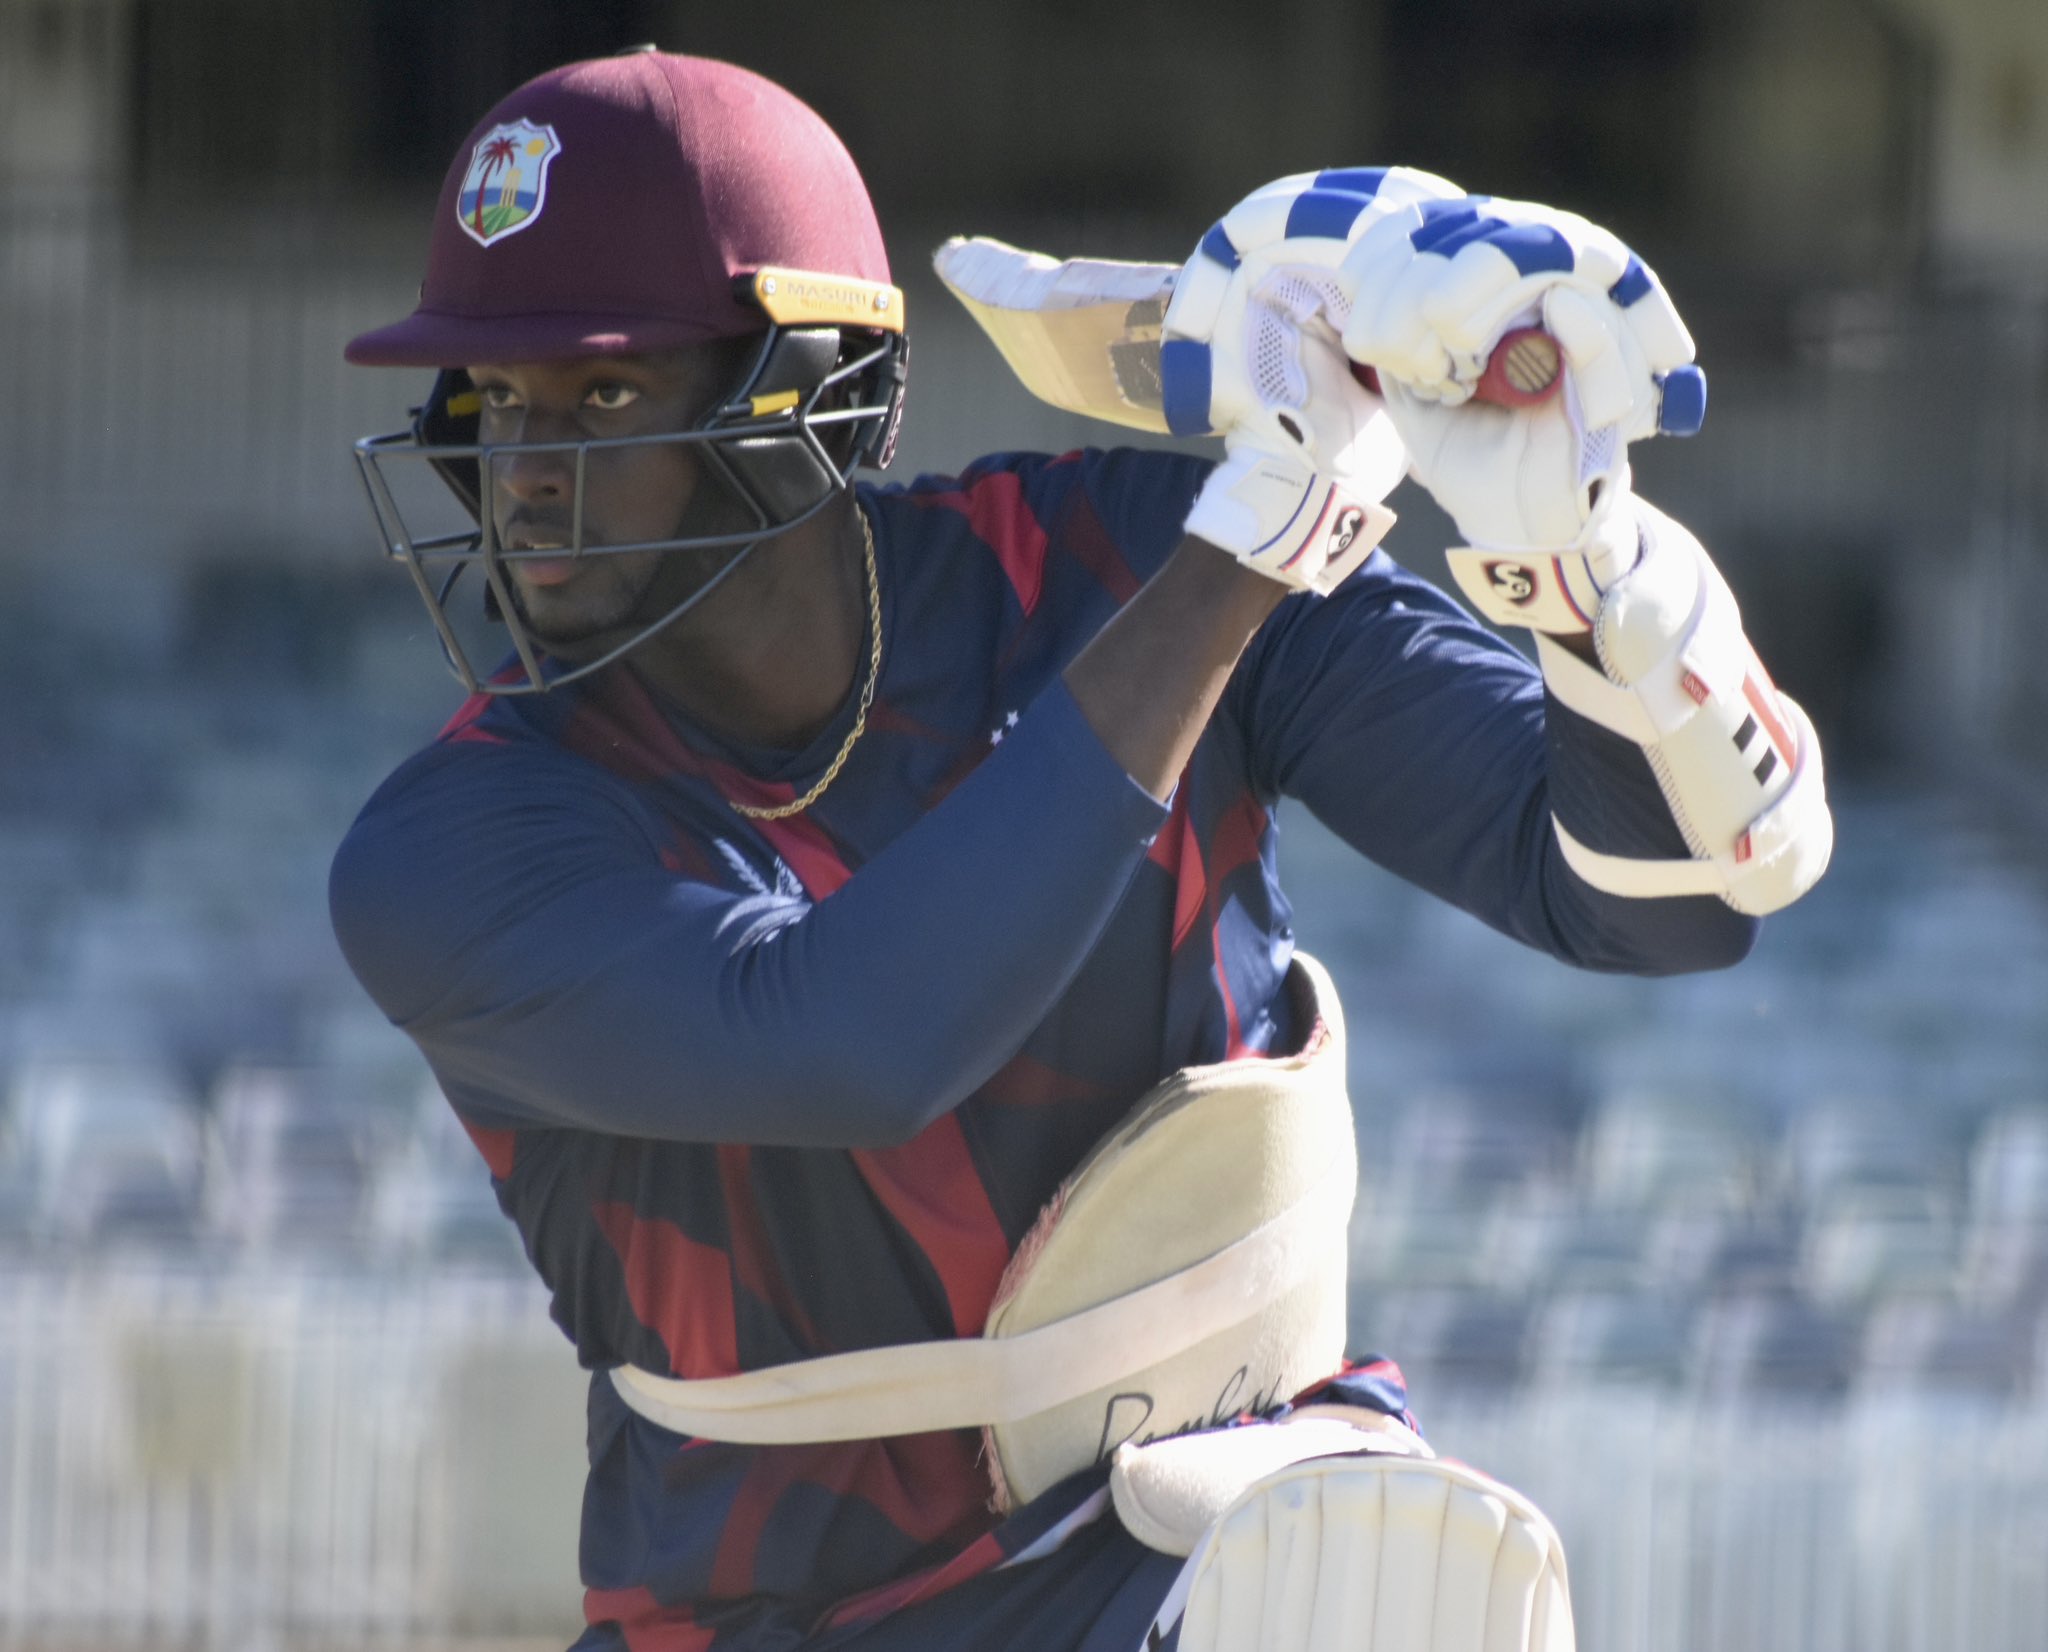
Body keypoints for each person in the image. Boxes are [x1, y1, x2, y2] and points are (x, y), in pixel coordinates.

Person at [332, 47, 1830, 1652]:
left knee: (1382, 1591)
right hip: (775, 1614)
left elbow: (1656, 910)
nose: (524, 478)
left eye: (606, 392)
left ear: (799, 391)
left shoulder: (1108, 554)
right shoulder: (451, 842)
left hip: (1216, 1523)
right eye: (499, 404)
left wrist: (1579, 556)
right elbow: (853, 1044)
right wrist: (1256, 542)